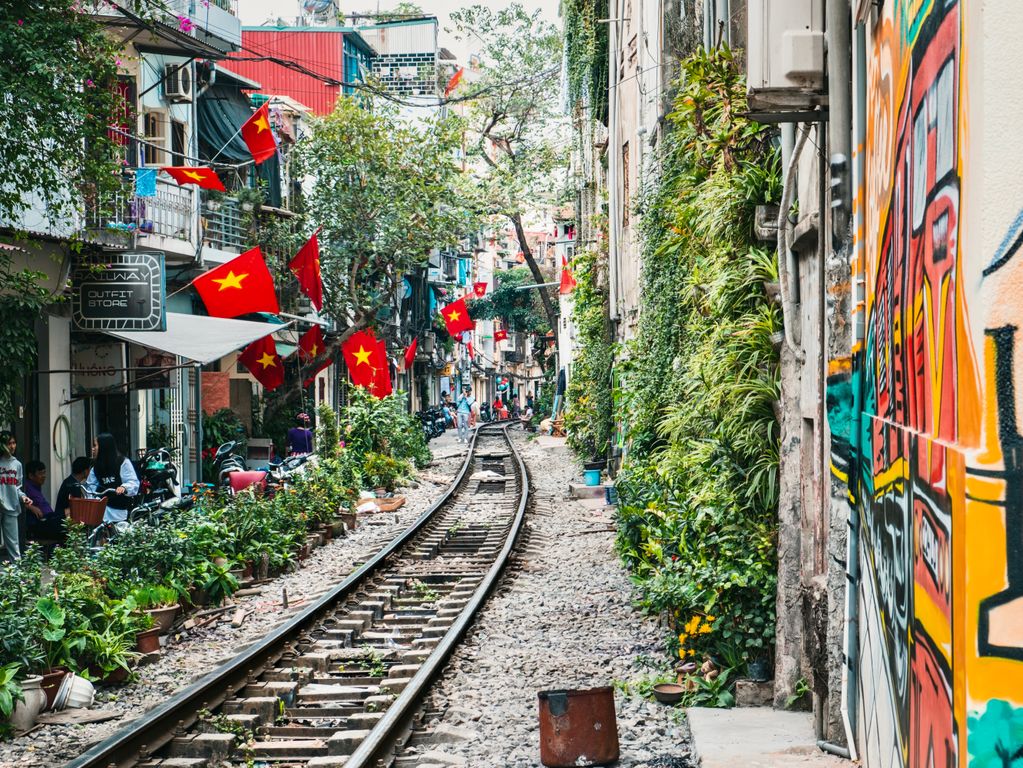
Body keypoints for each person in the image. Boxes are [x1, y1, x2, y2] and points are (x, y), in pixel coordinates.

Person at [85, 433, 140, 523]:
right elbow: (90, 487)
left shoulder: (122, 462)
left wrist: (124, 487)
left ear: (104, 446)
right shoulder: (96, 467)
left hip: (119, 509)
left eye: (95, 445)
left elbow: (133, 482)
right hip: (102, 510)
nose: (93, 449)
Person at [0, 430, 29, 561]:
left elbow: (17, 487)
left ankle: (16, 577)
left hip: (11, 506)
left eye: (14, 443)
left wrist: (23, 497)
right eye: (9, 443)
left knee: (13, 544)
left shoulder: (17, 464)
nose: (12, 446)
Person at [24, 460, 63, 548]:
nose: (44, 476)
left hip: (49, 519)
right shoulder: (26, 487)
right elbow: (17, 501)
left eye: (44, 473)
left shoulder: (36, 486)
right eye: (40, 473)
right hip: (39, 524)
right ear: (31, 476)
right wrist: (31, 507)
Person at [55, 456, 92, 520]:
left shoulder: (69, 481)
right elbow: (76, 509)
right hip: (65, 522)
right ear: (85, 471)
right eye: (89, 469)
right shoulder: (73, 486)